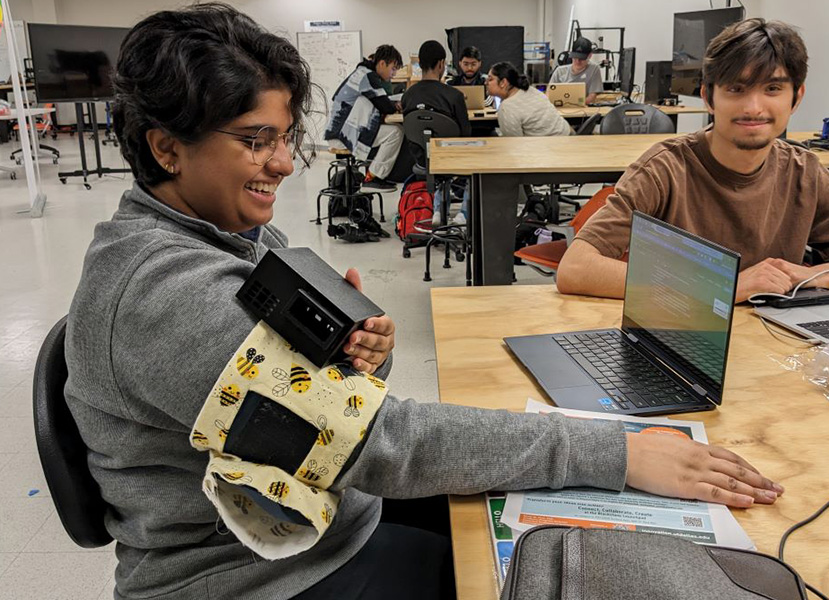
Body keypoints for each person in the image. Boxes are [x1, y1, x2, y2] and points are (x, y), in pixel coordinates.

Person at [65, 5, 784, 599]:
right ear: (166, 148)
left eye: (286, 138)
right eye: (257, 141)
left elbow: (331, 418)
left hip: (321, 517)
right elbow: (380, 443)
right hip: (253, 575)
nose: (283, 163)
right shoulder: (165, 294)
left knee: (567, 527)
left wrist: (353, 362)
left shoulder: (227, 234)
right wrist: (614, 452)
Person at [557, 18, 829, 302]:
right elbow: (576, 269)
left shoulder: (804, 172)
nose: (754, 107)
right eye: (736, 89)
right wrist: (722, 286)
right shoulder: (665, 169)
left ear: (795, 98)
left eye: (772, 88)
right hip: (681, 338)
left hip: (774, 346)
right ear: (708, 96)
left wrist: (812, 276)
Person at [401, 40, 471, 226]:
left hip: (421, 159)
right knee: (477, 162)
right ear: (441, 64)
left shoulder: (407, 95)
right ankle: (463, 213)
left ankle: (438, 212)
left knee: (437, 160)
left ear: (420, 64)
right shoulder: (453, 95)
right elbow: (466, 135)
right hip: (450, 158)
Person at [325, 44, 404, 190]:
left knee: (394, 130)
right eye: (393, 69)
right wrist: (397, 105)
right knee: (396, 132)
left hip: (339, 131)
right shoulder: (367, 76)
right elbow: (384, 105)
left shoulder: (363, 72)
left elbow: (381, 100)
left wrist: (391, 104)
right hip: (343, 136)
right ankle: (373, 178)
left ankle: (373, 176)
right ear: (382, 63)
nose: (393, 74)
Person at [487, 61, 571, 138]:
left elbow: (513, 144)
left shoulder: (507, 107)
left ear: (503, 83)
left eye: (490, 79)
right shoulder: (531, 90)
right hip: (568, 135)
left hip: (552, 148)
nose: (486, 82)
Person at [549, 37, 605, 104]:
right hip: (561, 109)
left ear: (590, 56)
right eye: (575, 57)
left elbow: (592, 96)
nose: (578, 61)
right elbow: (549, 93)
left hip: (582, 109)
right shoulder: (559, 71)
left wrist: (576, 105)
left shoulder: (594, 70)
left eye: (581, 58)